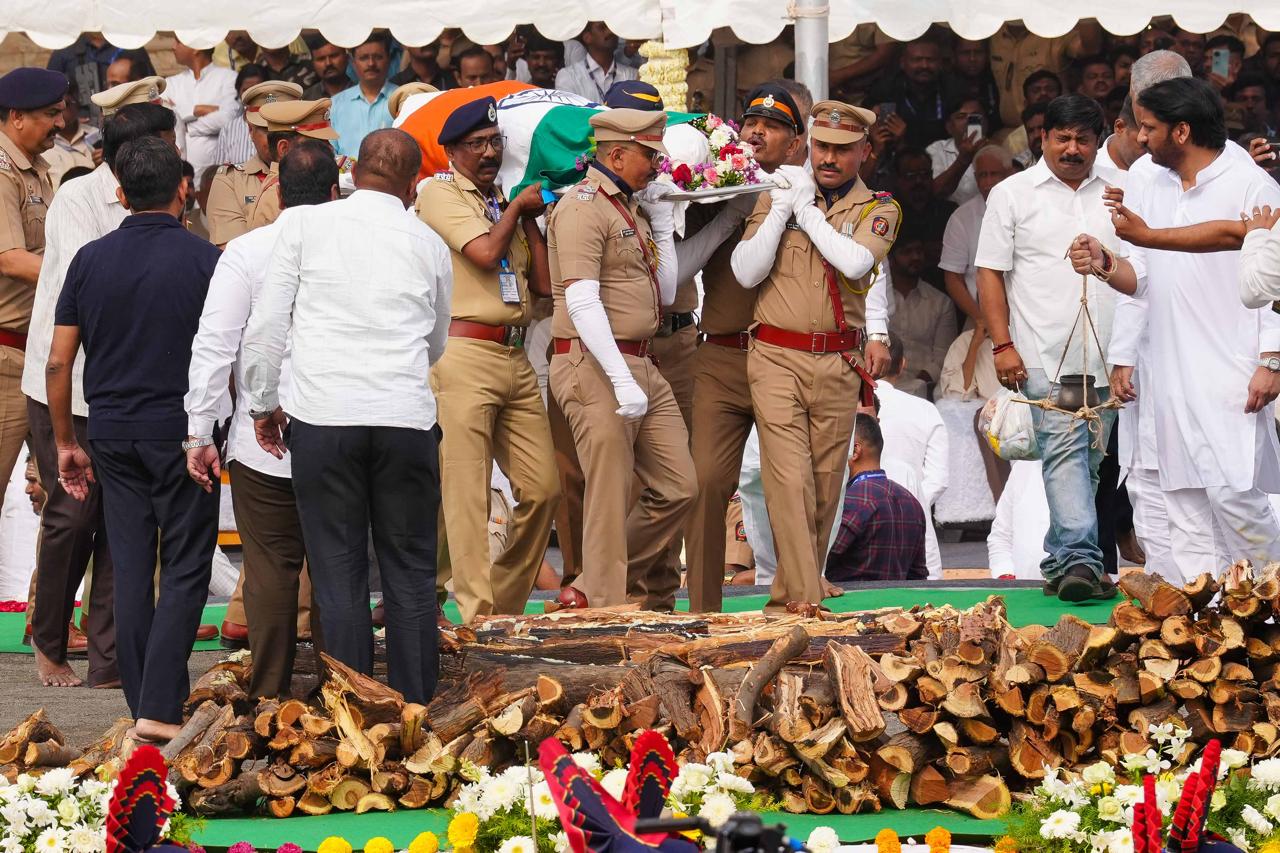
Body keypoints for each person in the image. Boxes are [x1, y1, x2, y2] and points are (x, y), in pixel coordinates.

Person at [242, 128, 450, 703]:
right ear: (413, 185)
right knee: (410, 572)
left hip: (325, 415)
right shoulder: (427, 240)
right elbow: (435, 341)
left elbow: (265, 332)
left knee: (338, 572)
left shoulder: (307, 225)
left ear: (351, 170)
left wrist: (262, 405)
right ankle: (416, 714)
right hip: (405, 417)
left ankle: (353, 713)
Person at [1072, 76, 1280, 581]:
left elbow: (1273, 281)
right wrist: (1103, 263)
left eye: (1149, 128)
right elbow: (1140, 273)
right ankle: (1200, 624)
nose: (1139, 139)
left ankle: (1271, 600)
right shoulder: (1146, 176)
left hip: (1231, 367)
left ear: (1182, 131)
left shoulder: (1251, 183)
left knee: (1236, 497)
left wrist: (1271, 360)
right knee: (1176, 501)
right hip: (1162, 366)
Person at [49, 136, 220, 740]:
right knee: (185, 565)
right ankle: (158, 705)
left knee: (129, 562)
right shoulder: (206, 259)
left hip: (112, 431)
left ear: (120, 194)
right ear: (183, 188)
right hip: (182, 432)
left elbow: (58, 362)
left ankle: (147, 703)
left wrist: (66, 440)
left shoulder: (90, 260)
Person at [23, 90, 176, 691]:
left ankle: (110, 656)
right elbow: (90, 290)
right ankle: (50, 640)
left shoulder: (164, 196)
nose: (173, 153)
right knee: (72, 514)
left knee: (126, 522)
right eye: (165, 144)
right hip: (70, 384)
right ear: (132, 153)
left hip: (129, 386)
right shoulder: (75, 198)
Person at [731, 99, 900, 610]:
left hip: (838, 361)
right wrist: (783, 206)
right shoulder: (778, 192)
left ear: (864, 152)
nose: (829, 158)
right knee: (788, 478)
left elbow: (853, 265)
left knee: (827, 485)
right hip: (775, 355)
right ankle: (807, 598)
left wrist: (803, 208)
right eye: (823, 146)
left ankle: (786, 593)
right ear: (810, 144)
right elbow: (745, 272)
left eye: (844, 150)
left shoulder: (880, 208)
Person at [185, 141, 338, 699]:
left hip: (260, 437)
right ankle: (343, 691)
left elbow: (215, 346)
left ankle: (270, 695)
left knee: (271, 568)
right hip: (341, 428)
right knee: (336, 564)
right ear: (334, 190)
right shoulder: (356, 246)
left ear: (276, 186)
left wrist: (200, 431)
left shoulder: (247, 250)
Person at [976, 93, 1124, 603]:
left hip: (1108, 353)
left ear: (1098, 141)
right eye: (1062, 137)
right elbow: (989, 271)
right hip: (1041, 352)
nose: (1073, 148)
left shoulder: (1117, 194)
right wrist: (1003, 345)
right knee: (1065, 451)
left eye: (1084, 139)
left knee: (1089, 461)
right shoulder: (1013, 194)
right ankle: (1084, 559)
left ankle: (1057, 558)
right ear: (1043, 138)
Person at [416, 98, 559, 623]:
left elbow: (543, 286)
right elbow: (481, 253)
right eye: (475, 144)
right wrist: (519, 210)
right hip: (464, 351)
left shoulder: (502, 198)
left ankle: (501, 604)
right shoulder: (437, 193)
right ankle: (475, 615)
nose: (489, 152)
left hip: (515, 350)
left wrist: (531, 220)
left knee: (543, 490)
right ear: (451, 151)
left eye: (494, 142)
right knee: (467, 494)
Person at [546, 109, 692, 609]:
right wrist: (620, 379)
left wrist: (664, 223)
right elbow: (581, 300)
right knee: (607, 494)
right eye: (649, 155)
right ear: (617, 154)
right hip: (595, 363)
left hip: (642, 362)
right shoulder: (583, 206)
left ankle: (591, 582)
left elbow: (667, 290)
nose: (656, 165)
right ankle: (602, 607)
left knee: (679, 487)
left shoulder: (627, 206)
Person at [683, 83, 807, 612]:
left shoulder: (808, 192)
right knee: (706, 482)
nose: (757, 130)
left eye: (773, 125)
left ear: (797, 143)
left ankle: (796, 600)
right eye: (751, 121)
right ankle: (703, 609)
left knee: (789, 486)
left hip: (785, 355)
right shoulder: (711, 189)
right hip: (721, 355)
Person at [0, 67, 67, 543]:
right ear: (16, 116)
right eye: (50, 114)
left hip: (39, 355)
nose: (60, 122)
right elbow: (9, 259)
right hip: (5, 356)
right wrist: (83, 276)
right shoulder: (2, 172)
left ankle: (46, 617)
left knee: (61, 494)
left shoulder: (39, 168)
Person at [875, 339, 948, 578]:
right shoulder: (925, 410)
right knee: (927, 606)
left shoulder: (838, 409)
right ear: (903, 364)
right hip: (915, 517)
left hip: (857, 519)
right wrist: (909, 505)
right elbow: (938, 479)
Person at [825, 415, 927, 583]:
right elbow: (917, 576)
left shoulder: (852, 500)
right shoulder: (911, 501)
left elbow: (820, 561)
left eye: (835, 447)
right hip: (900, 605)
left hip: (848, 604)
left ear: (855, 451)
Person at [204, 80, 303, 248]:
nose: (277, 140)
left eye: (284, 129)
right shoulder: (230, 181)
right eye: (268, 131)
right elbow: (235, 253)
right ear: (250, 130)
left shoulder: (325, 168)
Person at [940, 145, 1017, 328]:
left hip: (1027, 315)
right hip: (979, 318)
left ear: (1009, 174)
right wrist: (981, 318)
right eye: (983, 175)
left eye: (994, 174)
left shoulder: (1027, 208)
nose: (988, 182)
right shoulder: (962, 218)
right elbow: (953, 278)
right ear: (975, 178)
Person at [244, 99, 340, 233]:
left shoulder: (288, 183)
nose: (329, 148)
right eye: (317, 144)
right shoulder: (280, 190)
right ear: (284, 149)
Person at [988, 20, 1102, 128]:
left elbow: (1090, 49)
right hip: (1009, 131)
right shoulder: (991, 31)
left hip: (1055, 127)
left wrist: (1087, 7)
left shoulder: (1054, 31)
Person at [886, 230, 955, 397]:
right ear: (890, 259)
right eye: (906, 252)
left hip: (923, 388)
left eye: (919, 251)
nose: (915, 257)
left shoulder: (941, 302)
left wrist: (919, 382)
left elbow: (944, 355)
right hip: (881, 384)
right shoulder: (878, 300)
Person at [166, 39, 238, 191]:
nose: (173, 47)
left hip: (218, 176)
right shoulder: (171, 83)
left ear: (196, 48)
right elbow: (168, 118)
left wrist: (188, 127)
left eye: (178, 42)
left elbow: (228, 118)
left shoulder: (229, 78)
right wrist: (197, 110)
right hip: (180, 180)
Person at [865, 37, 951, 147]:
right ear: (903, 63)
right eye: (917, 60)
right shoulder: (886, 90)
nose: (924, 65)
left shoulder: (952, 89)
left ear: (940, 63)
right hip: (897, 156)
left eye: (930, 60)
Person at [329, 35, 396, 158]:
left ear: (389, 59)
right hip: (346, 176)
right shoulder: (335, 104)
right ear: (352, 62)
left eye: (378, 57)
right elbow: (330, 152)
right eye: (364, 58)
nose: (371, 63)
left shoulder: (404, 100)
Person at [987, 459, 1050, 578]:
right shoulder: (1022, 467)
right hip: (1022, 589)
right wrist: (1004, 573)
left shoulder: (1089, 473)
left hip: (1076, 591)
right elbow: (1001, 536)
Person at [927, 96, 991, 205]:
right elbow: (934, 193)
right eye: (961, 117)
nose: (968, 121)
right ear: (949, 127)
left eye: (975, 116)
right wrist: (963, 160)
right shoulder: (936, 150)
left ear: (986, 122)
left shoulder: (999, 150)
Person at [554, 22, 638, 102]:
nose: (610, 32)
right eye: (602, 27)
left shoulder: (632, 75)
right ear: (587, 37)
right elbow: (570, 114)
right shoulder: (568, 76)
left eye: (611, 27)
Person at [210, 66, 272, 171]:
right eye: (246, 90)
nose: (251, 96)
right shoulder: (228, 129)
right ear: (238, 92)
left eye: (256, 90)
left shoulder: (277, 124)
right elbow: (221, 171)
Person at [44, 80, 100, 188]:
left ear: (77, 102)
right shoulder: (41, 144)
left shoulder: (97, 137)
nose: (61, 113)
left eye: (66, 105)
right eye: (53, 110)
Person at [46, 34, 120, 114]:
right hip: (78, 117)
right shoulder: (64, 51)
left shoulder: (124, 48)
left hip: (115, 115)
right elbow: (50, 89)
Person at [302, 36, 353, 101]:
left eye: (333, 56)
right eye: (321, 59)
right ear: (313, 63)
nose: (328, 63)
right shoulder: (306, 99)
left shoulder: (363, 93)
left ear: (347, 57)